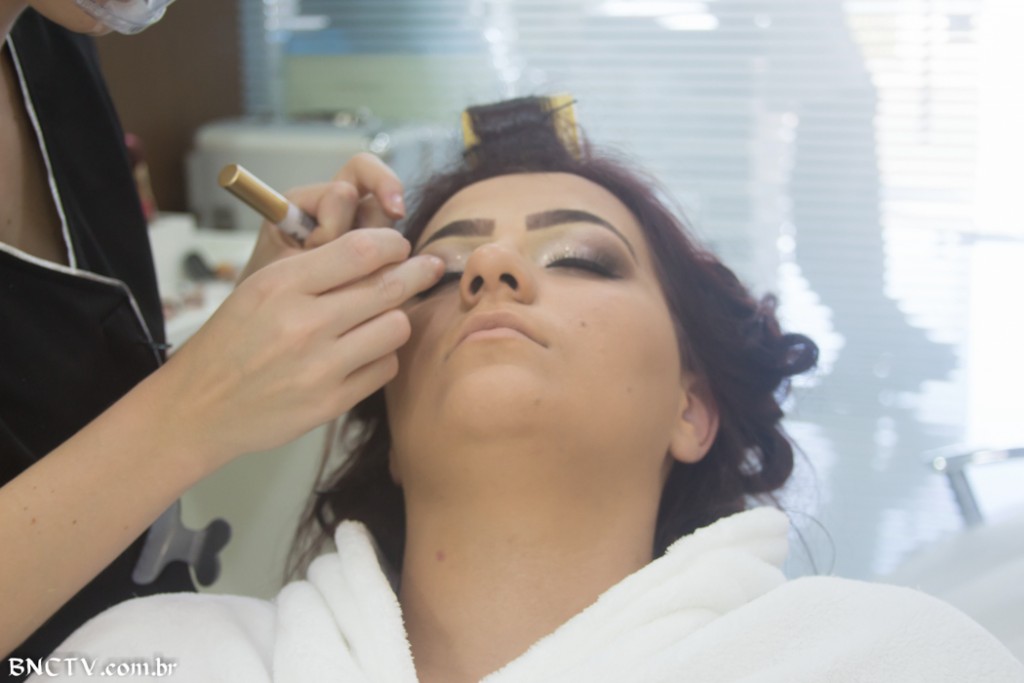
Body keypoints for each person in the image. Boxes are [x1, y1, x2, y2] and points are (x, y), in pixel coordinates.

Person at [27, 97, 1024, 682]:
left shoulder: (884, 660)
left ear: (691, 407)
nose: (493, 271)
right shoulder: (150, 658)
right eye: (445, 269)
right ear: (380, 402)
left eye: (582, 259)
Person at [0, 0, 444, 670]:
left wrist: (241, 336)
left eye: (582, 262)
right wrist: (191, 407)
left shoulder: (54, 42)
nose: (495, 274)